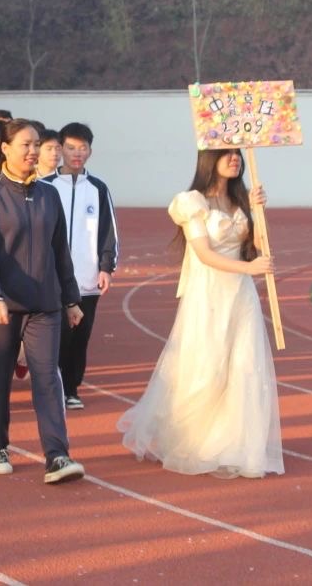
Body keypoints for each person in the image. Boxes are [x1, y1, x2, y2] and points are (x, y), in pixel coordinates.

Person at [117, 148, 283, 479]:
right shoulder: (192, 202)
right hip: (208, 293)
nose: (235, 159)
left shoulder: (240, 200)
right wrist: (248, 268)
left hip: (241, 295)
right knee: (209, 366)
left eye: (237, 154)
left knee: (244, 366)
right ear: (209, 159)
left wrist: (258, 209)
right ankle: (195, 441)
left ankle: (237, 446)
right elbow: (204, 254)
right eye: (227, 154)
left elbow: (259, 246)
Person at [0, 118, 86, 484]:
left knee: (47, 378)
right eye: (26, 144)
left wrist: (71, 299)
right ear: (5, 149)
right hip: (2, 308)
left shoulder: (49, 195)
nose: (33, 151)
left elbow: (60, 251)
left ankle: (57, 455)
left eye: (37, 144)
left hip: (45, 305)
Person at [43, 122, 118, 411]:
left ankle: (72, 388)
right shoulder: (45, 187)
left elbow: (108, 232)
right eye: (71, 148)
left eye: (82, 148)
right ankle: (54, 386)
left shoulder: (98, 189)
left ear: (90, 151)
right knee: (56, 334)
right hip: (52, 279)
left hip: (87, 279)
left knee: (80, 337)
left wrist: (106, 267)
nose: (77, 153)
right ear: (60, 149)